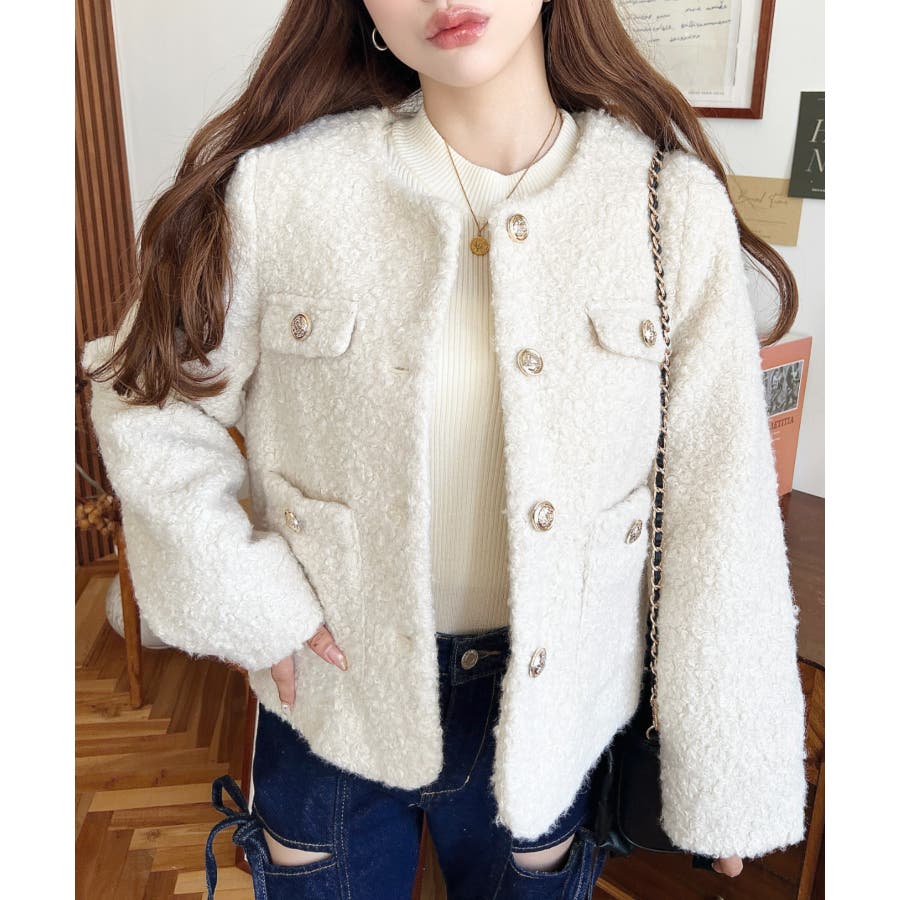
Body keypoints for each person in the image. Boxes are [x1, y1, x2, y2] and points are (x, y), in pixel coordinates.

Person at [81, 1, 809, 898]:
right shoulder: (284, 189)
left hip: (553, 718)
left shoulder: (667, 206)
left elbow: (721, 505)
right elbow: (144, 396)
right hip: (332, 696)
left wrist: (731, 770)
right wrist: (246, 597)